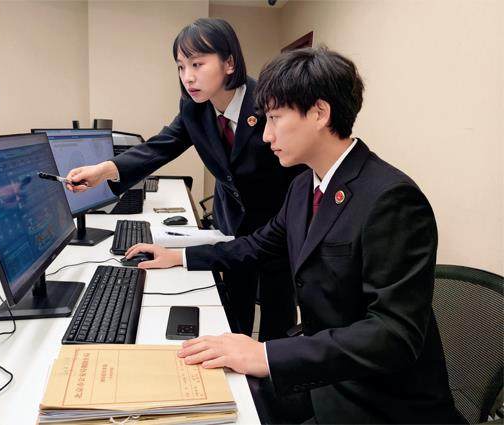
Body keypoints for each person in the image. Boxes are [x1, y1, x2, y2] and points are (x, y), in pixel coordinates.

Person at [123, 47, 464, 424]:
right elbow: (258, 245)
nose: (266, 135)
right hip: (326, 375)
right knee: (214, 396)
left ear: (319, 113)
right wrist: (181, 256)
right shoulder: (303, 186)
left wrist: (266, 354)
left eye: (274, 118)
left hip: (380, 401)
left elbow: (394, 335)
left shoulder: (391, 199)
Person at [66, 18, 304, 341]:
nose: (187, 77)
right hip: (231, 223)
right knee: (235, 312)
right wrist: (104, 170)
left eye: (197, 64)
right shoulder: (195, 108)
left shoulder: (267, 102)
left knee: (277, 321)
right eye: (181, 66)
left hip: (275, 226)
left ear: (229, 63)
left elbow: (298, 171)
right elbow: (160, 147)